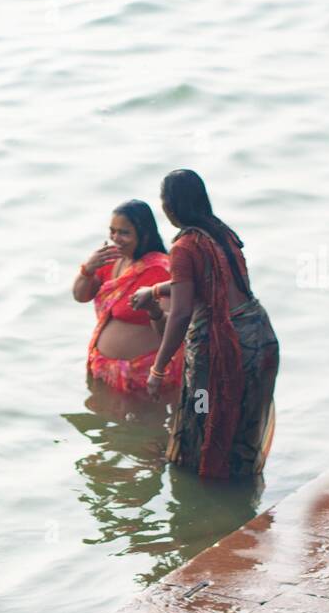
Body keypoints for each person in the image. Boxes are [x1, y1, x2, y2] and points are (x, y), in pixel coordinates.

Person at [131, 169, 280, 478]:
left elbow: (182, 312)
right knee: (241, 423)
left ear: (172, 206)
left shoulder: (184, 246)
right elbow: (206, 283)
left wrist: (158, 369)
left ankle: (201, 494)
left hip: (223, 350)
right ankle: (239, 492)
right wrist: (157, 290)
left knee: (202, 416)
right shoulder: (220, 232)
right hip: (259, 338)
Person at [72, 199, 184, 394]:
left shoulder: (161, 269)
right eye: (112, 231)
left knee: (148, 423)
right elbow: (80, 296)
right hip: (104, 370)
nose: (116, 238)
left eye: (124, 233)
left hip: (146, 375)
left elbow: (171, 331)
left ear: (144, 234)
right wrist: (88, 269)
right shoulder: (109, 260)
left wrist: (152, 308)